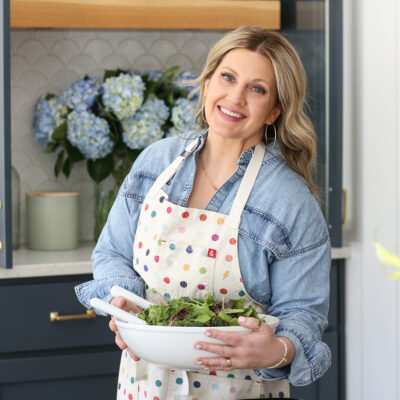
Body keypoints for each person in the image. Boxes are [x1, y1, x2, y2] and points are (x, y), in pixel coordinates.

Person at [75, 25, 331, 399]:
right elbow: (113, 252)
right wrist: (124, 300)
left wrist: (277, 350)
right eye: (227, 78)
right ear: (208, 83)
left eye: (257, 89)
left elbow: (304, 316)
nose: (235, 98)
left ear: (275, 110)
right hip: (144, 387)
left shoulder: (290, 202)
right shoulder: (156, 162)